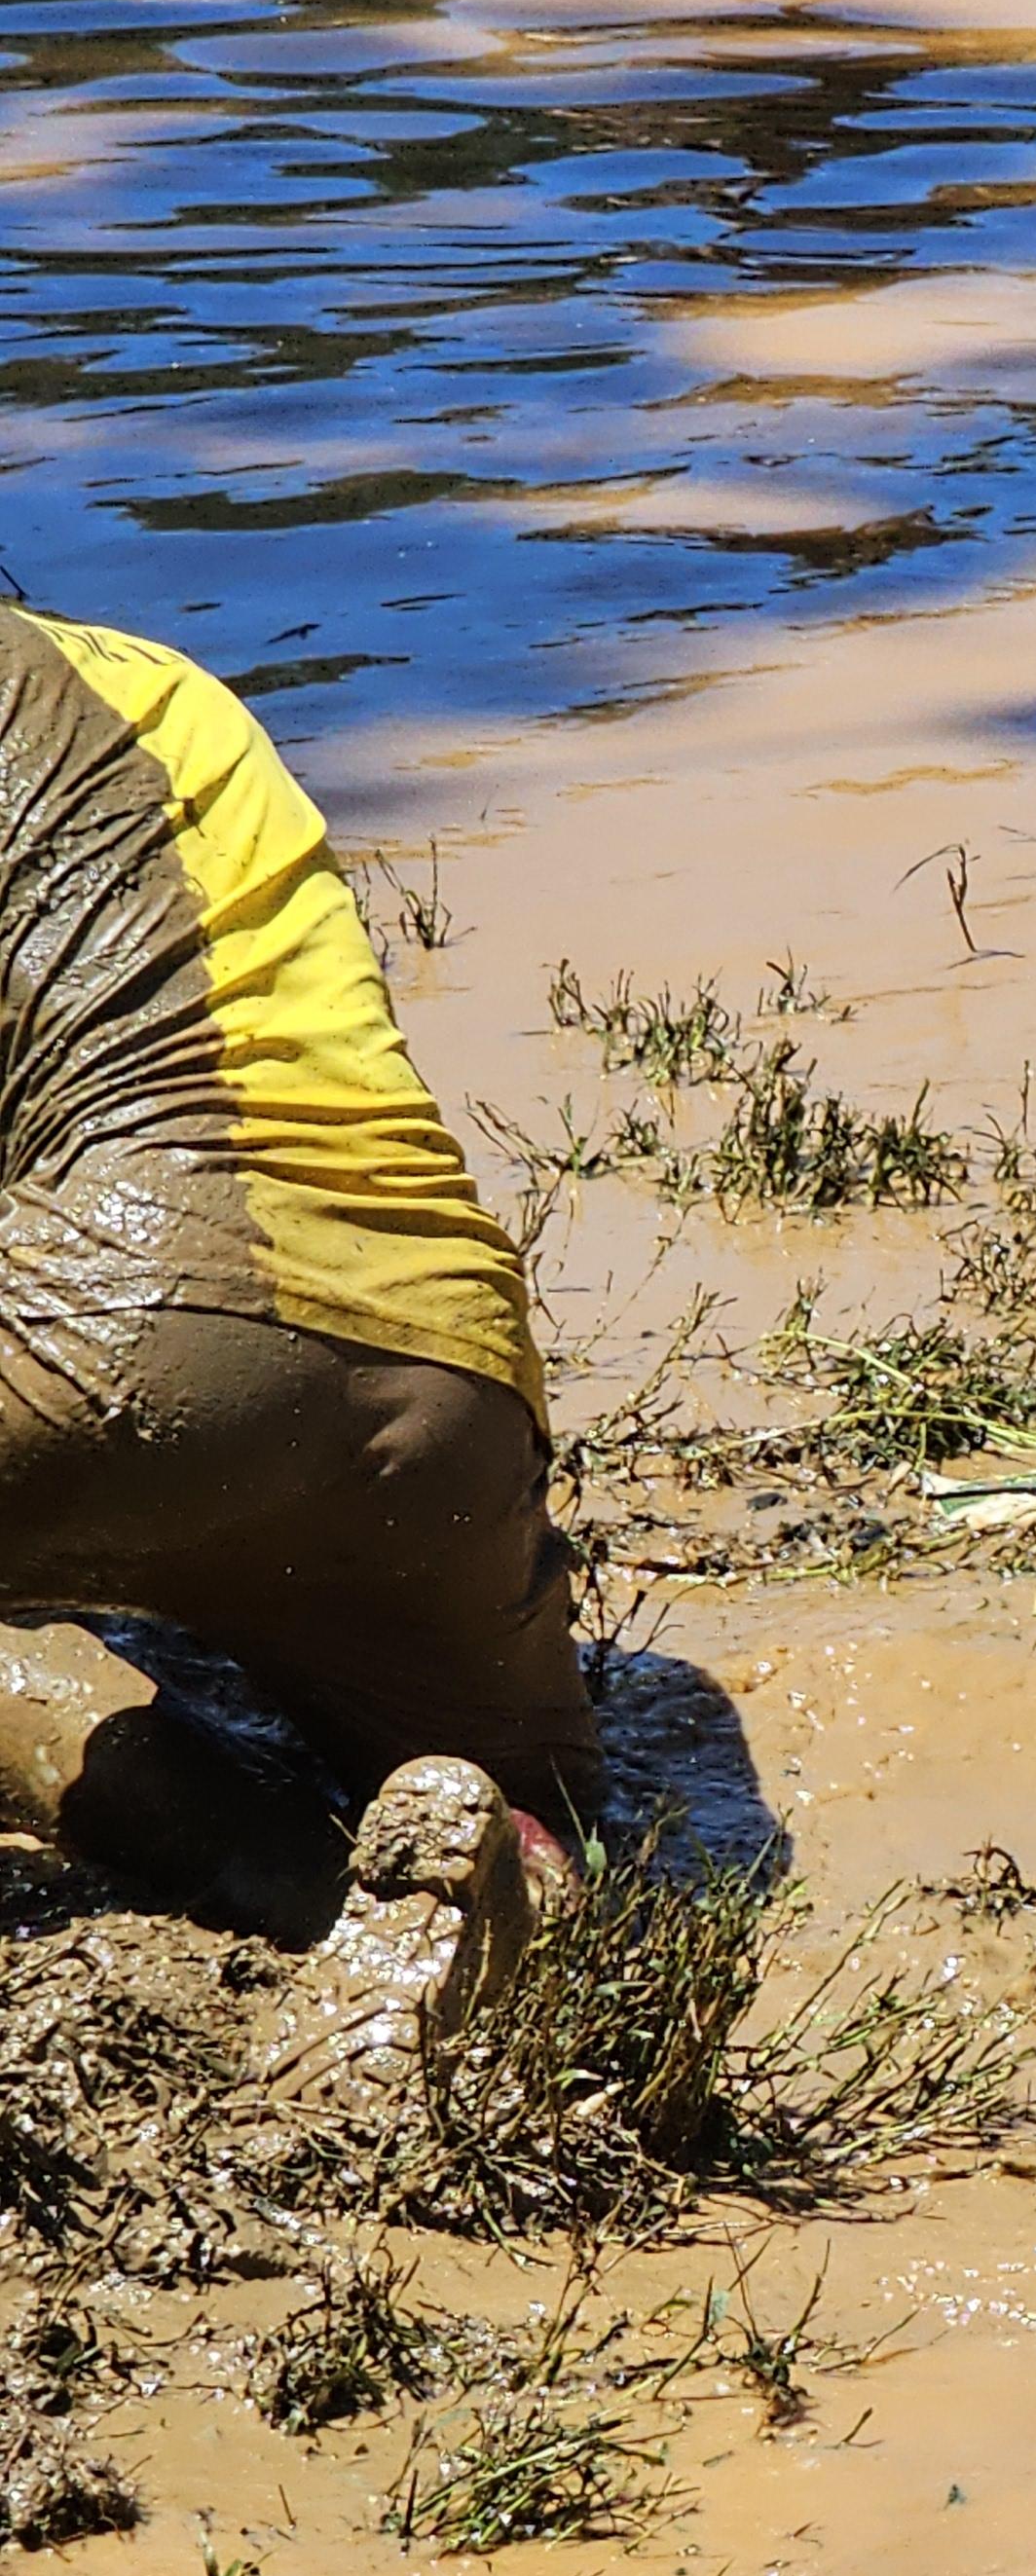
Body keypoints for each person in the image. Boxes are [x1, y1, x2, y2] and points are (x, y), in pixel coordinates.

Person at [0, 599, 587, 1963]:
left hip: (132, 1338)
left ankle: (286, 1882)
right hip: (444, 1394)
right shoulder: (158, 686)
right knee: (534, 1822)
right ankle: (502, 1908)